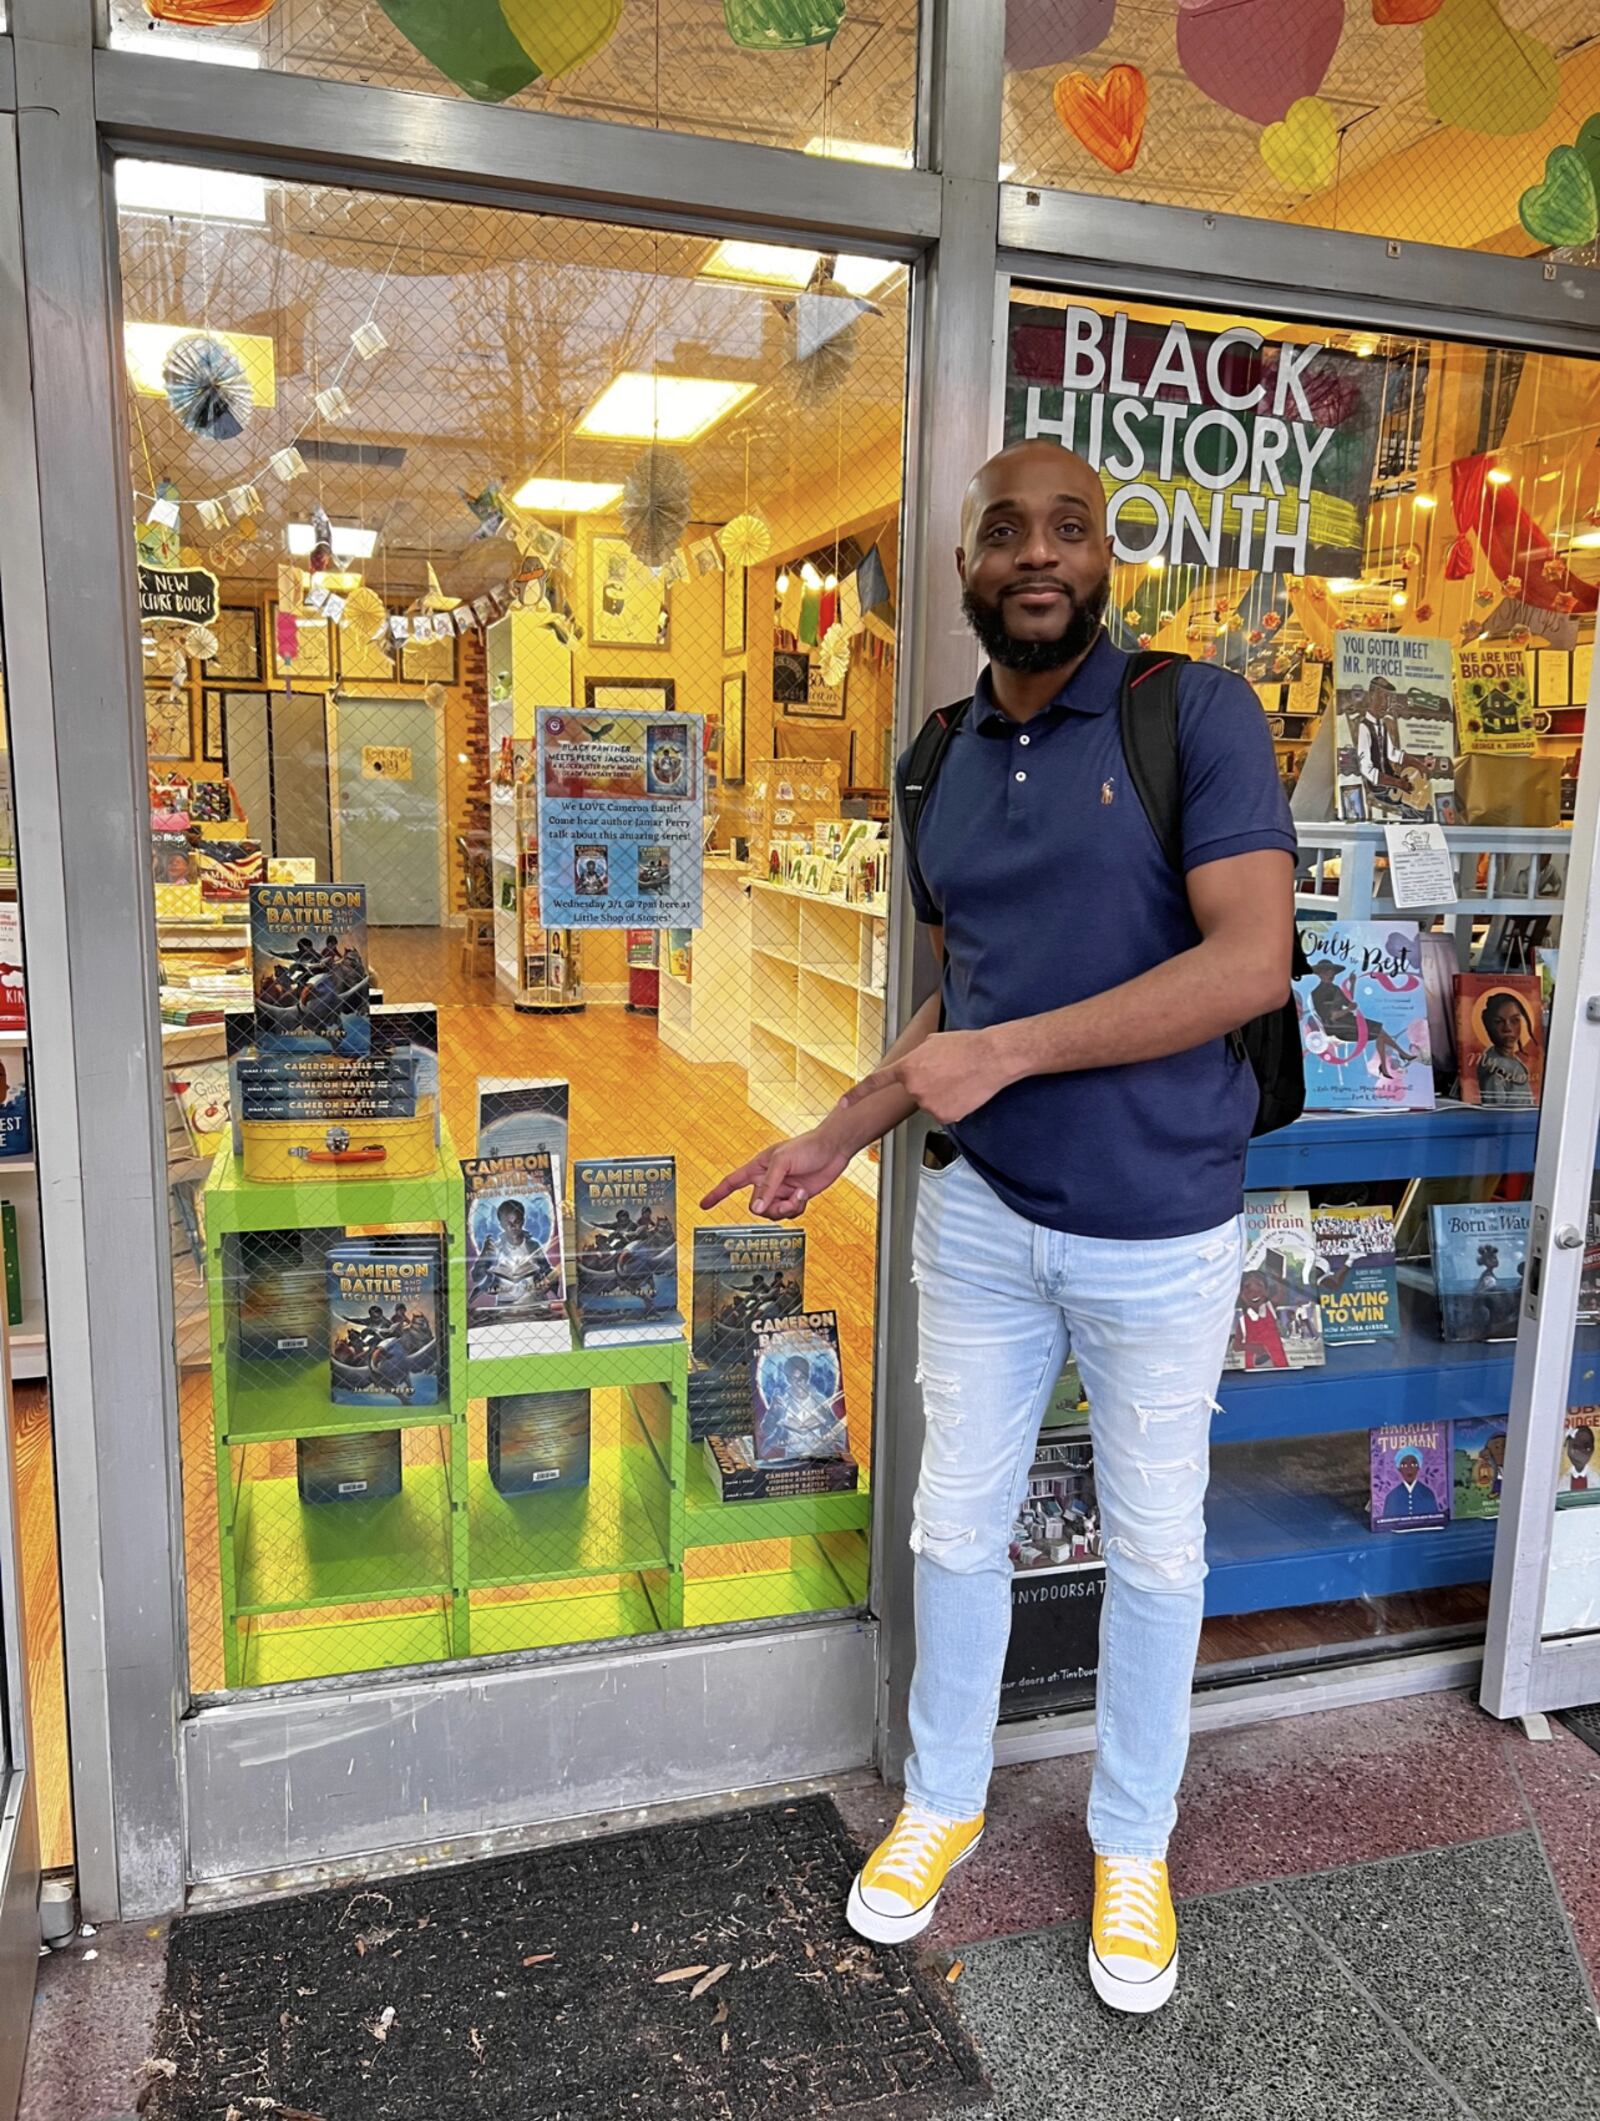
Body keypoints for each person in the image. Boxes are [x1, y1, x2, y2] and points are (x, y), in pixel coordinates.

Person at [701, 439, 1295, 2015]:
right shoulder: (938, 756)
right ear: (958, 568)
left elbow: (1248, 965)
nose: (1038, 554)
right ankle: (944, 1800)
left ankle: (1131, 1837)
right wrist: (837, 1132)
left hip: (1163, 1224)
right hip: (980, 1222)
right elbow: (958, 990)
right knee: (952, 1524)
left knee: (1156, 1547)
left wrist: (1010, 1051)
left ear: (1109, 559)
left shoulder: (1198, 717)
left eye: (1071, 529)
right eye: (1003, 532)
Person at [1475, 990, 1537, 1108]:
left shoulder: (1513, 1059)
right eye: (1499, 1022)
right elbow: (1496, 1112)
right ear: (1488, 1026)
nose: (1507, 1028)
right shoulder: (1493, 1066)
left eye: (1514, 1021)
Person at [1382, 1450, 1442, 1521]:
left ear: (1418, 1467)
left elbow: (1434, 1520)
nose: (1409, 1469)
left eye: (1413, 1464)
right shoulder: (1391, 1496)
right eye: (1404, 1465)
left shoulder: (1428, 1493)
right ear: (1399, 1469)